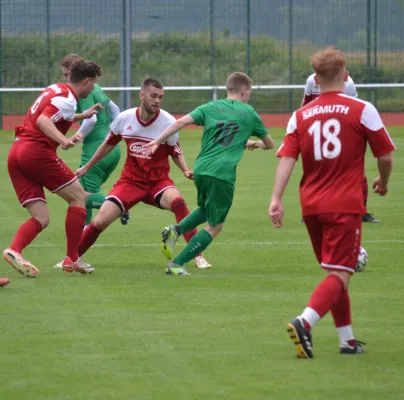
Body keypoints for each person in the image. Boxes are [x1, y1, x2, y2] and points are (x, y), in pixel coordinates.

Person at [269, 46, 395, 358]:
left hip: (311, 206)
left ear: (315, 79)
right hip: (345, 204)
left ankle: (347, 341)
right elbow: (386, 156)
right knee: (340, 274)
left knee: (336, 274)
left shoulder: (299, 116)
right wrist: (384, 180)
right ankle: (304, 322)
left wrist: (276, 198)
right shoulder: (362, 108)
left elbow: (286, 158)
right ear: (346, 75)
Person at [143, 72, 274, 276]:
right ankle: (177, 264)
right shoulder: (249, 113)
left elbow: (179, 123)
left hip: (201, 169)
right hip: (222, 174)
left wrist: (157, 141)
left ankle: (174, 231)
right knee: (216, 225)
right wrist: (254, 143)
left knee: (205, 209)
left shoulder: (210, 107)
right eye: (249, 93)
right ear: (244, 90)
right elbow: (270, 144)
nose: (249, 97)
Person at [74, 78, 211, 270]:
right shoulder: (125, 118)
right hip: (130, 181)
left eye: (160, 97)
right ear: (142, 95)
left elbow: (175, 151)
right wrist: (87, 167)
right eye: (153, 96)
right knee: (100, 221)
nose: (157, 101)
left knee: (178, 202)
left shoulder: (169, 122)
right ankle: (73, 258)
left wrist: (186, 169)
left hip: (158, 182)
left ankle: (197, 255)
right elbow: (107, 145)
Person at [3, 59, 102, 277]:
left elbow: (53, 113)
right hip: (36, 152)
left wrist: (81, 117)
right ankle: (72, 259)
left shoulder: (55, 89)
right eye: (93, 83)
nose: (94, 88)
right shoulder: (68, 99)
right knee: (78, 197)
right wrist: (63, 140)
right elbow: (44, 121)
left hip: (17, 152)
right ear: (86, 81)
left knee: (41, 218)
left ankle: (14, 250)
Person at [54, 54, 127, 270]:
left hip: (96, 150)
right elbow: (115, 110)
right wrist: (113, 132)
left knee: (82, 198)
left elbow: (91, 118)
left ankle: (120, 206)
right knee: (82, 203)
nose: (67, 80)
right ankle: (75, 253)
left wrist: (80, 136)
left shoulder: (82, 91)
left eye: (68, 75)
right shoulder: (96, 88)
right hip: (111, 148)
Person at [302, 71, 379, 224]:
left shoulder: (348, 83)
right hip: (318, 131)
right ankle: (312, 212)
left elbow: (354, 109)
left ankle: (361, 211)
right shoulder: (311, 80)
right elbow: (305, 104)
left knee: (356, 171)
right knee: (317, 172)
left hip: (340, 131)